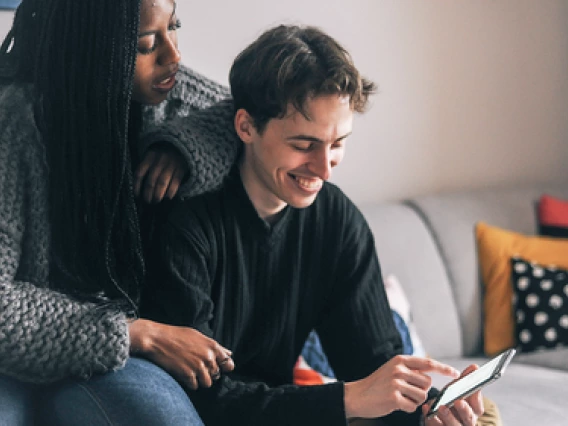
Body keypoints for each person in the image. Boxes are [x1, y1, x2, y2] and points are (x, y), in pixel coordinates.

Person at [143, 24, 485, 426]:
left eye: (338, 143)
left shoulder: (338, 222)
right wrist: (348, 400)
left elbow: (371, 364)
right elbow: (201, 400)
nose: (324, 169)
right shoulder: (184, 220)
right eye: (304, 145)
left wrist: (429, 408)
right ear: (245, 127)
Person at [0, 0, 240, 424]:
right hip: (19, 356)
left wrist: (183, 145)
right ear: (90, 48)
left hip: (111, 365)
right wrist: (135, 333)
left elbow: (244, 114)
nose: (174, 55)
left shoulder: (170, 101)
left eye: (175, 27)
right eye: (148, 43)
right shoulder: (16, 123)